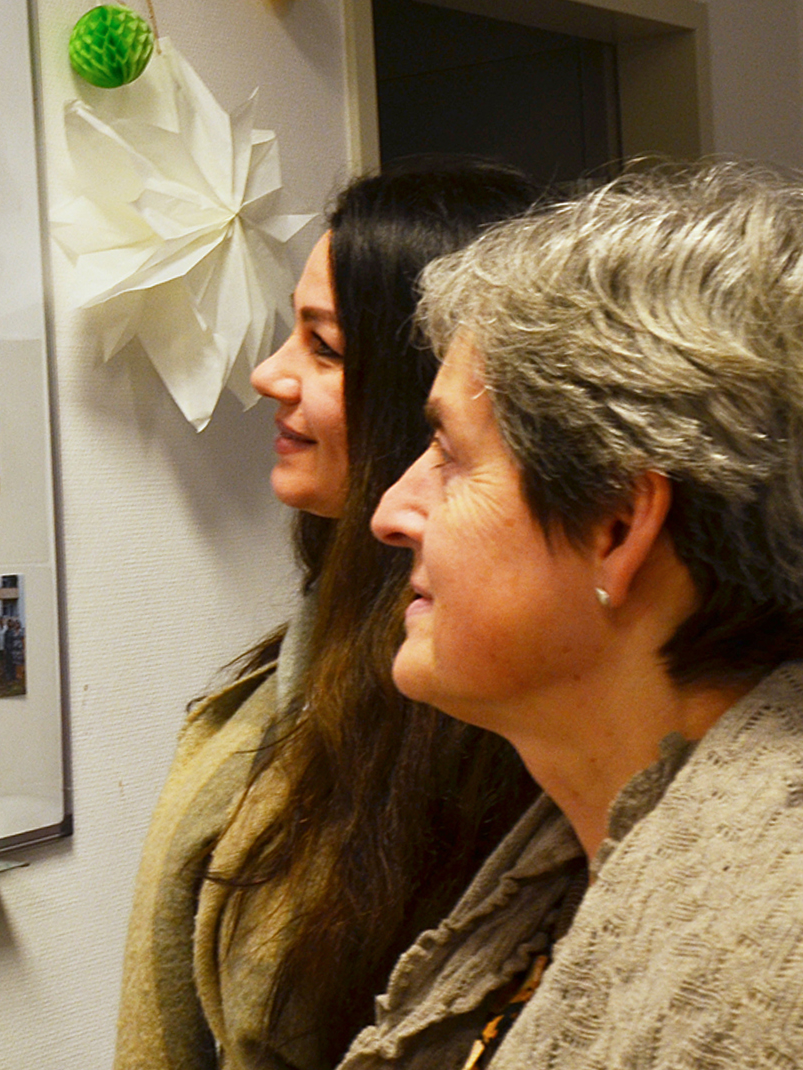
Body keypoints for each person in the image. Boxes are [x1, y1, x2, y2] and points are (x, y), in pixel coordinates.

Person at [335, 163, 803, 1068]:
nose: (392, 511)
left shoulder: (764, 981)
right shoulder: (562, 864)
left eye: (449, 453)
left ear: (618, 527)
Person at [114, 162, 543, 1070]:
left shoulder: (489, 726)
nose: (271, 375)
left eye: (326, 348)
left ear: (433, 393)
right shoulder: (287, 680)